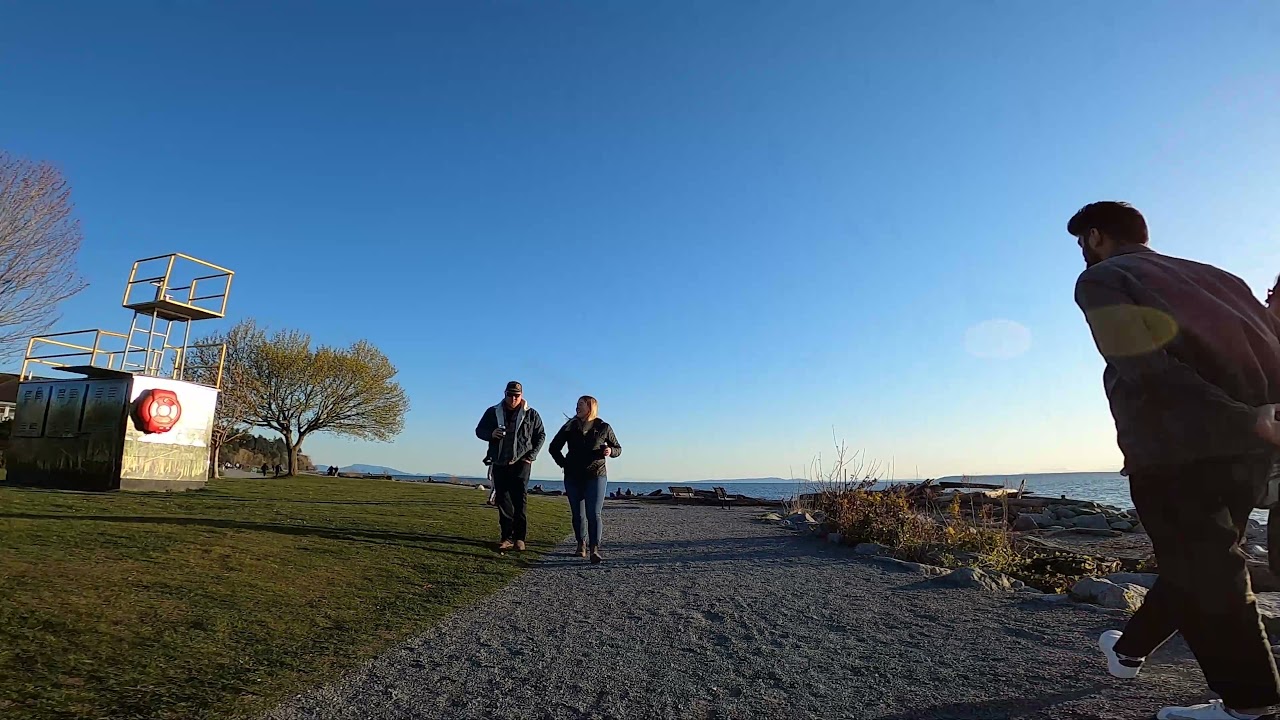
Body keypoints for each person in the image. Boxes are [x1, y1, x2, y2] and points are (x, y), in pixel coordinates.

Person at [1068, 201, 1280, 720]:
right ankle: (1128, 650)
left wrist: (1239, 420)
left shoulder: (1103, 279)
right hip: (1250, 451)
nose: (1081, 253)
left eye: (1081, 243)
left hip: (1175, 451)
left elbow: (1145, 367)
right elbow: (1271, 349)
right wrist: (1262, 421)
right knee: (1204, 559)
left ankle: (1251, 706)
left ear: (1096, 237)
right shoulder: (1218, 277)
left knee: (1212, 570)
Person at [549, 395, 622, 563]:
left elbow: (618, 448)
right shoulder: (570, 426)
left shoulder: (603, 427)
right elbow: (554, 447)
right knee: (578, 514)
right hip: (573, 476)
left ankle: (594, 548)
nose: (577, 408)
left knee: (593, 513)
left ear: (591, 407)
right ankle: (581, 543)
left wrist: (610, 451)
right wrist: (564, 464)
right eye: (576, 405)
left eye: (580, 405)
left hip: (596, 475)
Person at [475, 381, 546, 551]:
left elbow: (541, 435)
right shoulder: (493, 412)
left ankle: (520, 538)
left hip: (521, 462)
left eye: (517, 395)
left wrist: (531, 456)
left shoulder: (531, 414)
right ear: (504, 394)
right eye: (510, 395)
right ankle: (506, 537)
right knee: (503, 500)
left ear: (521, 395)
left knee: (519, 500)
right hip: (499, 461)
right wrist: (491, 434)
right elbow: (479, 430)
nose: (513, 398)